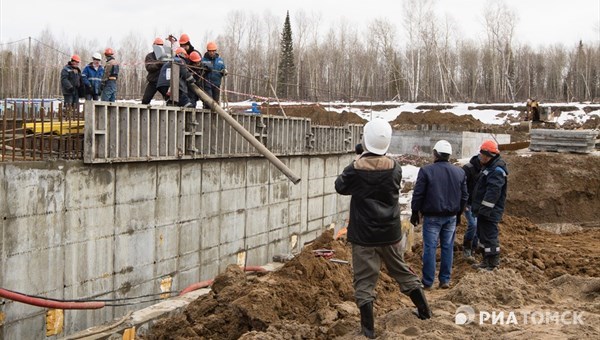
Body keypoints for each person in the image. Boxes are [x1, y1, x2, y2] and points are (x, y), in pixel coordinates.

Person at [335, 118, 432, 338]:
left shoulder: (355, 169)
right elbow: (380, 171)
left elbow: (340, 186)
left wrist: (358, 160)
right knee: (401, 270)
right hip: (390, 232)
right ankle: (425, 311)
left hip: (363, 235)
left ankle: (368, 330)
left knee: (364, 281)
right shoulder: (395, 168)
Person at [410, 140, 468, 290]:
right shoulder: (459, 172)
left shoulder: (426, 170)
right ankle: (445, 280)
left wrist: (415, 211)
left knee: (430, 247)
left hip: (432, 216)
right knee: (447, 247)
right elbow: (464, 196)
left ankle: (428, 282)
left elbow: (418, 193)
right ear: (449, 155)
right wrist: (459, 213)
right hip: (451, 216)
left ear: (435, 154)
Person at [470, 140, 508, 271]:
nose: (481, 158)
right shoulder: (489, 166)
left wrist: (485, 210)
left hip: (490, 212)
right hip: (484, 211)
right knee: (483, 236)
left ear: (490, 155)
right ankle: (486, 260)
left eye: (483, 155)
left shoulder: (496, 170)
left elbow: (493, 192)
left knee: (490, 236)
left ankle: (493, 263)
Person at [461, 153, 482, 261]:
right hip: (468, 203)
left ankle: (474, 246)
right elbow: (461, 186)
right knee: (473, 224)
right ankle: (467, 246)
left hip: (479, 203)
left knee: (479, 225)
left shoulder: (486, 169)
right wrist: (463, 204)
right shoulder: (468, 169)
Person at [141, 37, 167, 104]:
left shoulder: (166, 56)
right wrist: (159, 64)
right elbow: (149, 67)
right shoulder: (150, 56)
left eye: (161, 46)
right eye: (158, 45)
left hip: (163, 82)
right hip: (153, 81)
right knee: (145, 100)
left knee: (170, 99)